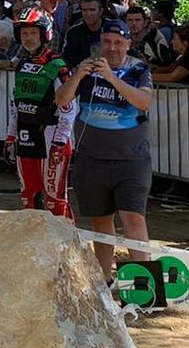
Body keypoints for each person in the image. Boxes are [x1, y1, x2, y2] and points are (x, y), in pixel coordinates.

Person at [55, 16, 154, 279]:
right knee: (101, 220)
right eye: (107, 42)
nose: (112, 47)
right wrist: (78, 75)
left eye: (118, 42)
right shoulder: (87, 70)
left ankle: (143, 287)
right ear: (100, 42)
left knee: (133, 218)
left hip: (131, 160)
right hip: (93, 159)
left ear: (128, 43)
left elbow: (144, 102)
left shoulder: (138, 69)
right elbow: (61, 99)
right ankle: (103, 280)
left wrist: (112, 78)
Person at [6, 10, 71, 218]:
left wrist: (59, 143)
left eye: (33, 33)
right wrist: (10, 136)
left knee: (55, 199)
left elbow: (69, 109)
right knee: (29, 197)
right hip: (26, 135)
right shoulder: (21, 65)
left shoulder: (58, 65)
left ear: (45, 34)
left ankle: (66, 247)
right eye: (24, 33)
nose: (28, 38)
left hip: (51, 138)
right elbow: (15, 105)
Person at [62, 0, 108, 66]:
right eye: (84, 10)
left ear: (100, 11)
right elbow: (67, 60)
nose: (88, 14)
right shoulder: (73, 33)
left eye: (92, 10)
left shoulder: (112, 30)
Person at [153, 23, 189, 88]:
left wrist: (148, 77)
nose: (171, 42)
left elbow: (172, 77)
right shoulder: (182, 57)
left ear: (185, 42)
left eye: (175, 39)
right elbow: (170, 69)